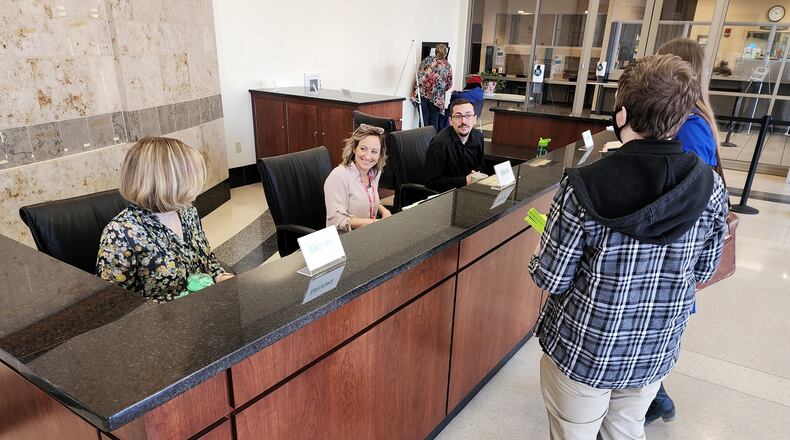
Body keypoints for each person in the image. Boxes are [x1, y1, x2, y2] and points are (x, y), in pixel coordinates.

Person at [529, 54, 729, 440]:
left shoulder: (582, 186)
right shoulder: (710, 186)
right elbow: (703, 272)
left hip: (586, 350)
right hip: (654, 347)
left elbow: (552, 277)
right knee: (625, 431)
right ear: (682, 114)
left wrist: (535, 258)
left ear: (622, 113)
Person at [645, 37, 724, 425]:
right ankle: (654, 397)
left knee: (655, 332)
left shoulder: (691, 128)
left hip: (675, 252)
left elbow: (686, 195)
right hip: (675, 251)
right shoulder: (697, 121)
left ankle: (655, 399)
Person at [97, 137, 233, 303]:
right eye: (191, 176)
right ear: (169, 182)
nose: (198, 184)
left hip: (204, 307)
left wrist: (220, 276)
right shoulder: (121, 233)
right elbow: (116, 304)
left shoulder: (187, 211)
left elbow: (206, 259)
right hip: (162, 323)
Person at [324, 124, 392, 232]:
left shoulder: (374, 172)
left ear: (380, 154)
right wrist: (373, 223)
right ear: (355, 148)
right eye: (363, 149)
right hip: (346, 240)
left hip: (368, 233)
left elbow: (368, 199)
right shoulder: (338, 177)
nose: (368, 156)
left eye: (374, 151)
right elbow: (336, 220)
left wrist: (384, 211)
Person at [423, 98, 485, 193]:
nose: (463, 121)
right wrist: (465, 180)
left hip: (469, 191)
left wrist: (476, 175)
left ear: (475, 119)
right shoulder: (440, 144)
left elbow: (480, 167)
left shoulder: (478, 137)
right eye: (458, 116)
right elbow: (431, 182)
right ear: (450, 121)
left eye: (468, 115)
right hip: (445, 196)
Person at [416, 43, 453, 131]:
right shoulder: (447, 65)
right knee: (434, 121)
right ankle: (432, 142)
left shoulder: (427, 60)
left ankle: (422, 142)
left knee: (423, 120)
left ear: (435, 51)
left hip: (423, 94)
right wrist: (440, 91)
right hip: (437, 98)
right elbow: (449, 84)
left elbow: (419, 76)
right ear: (446, 53)